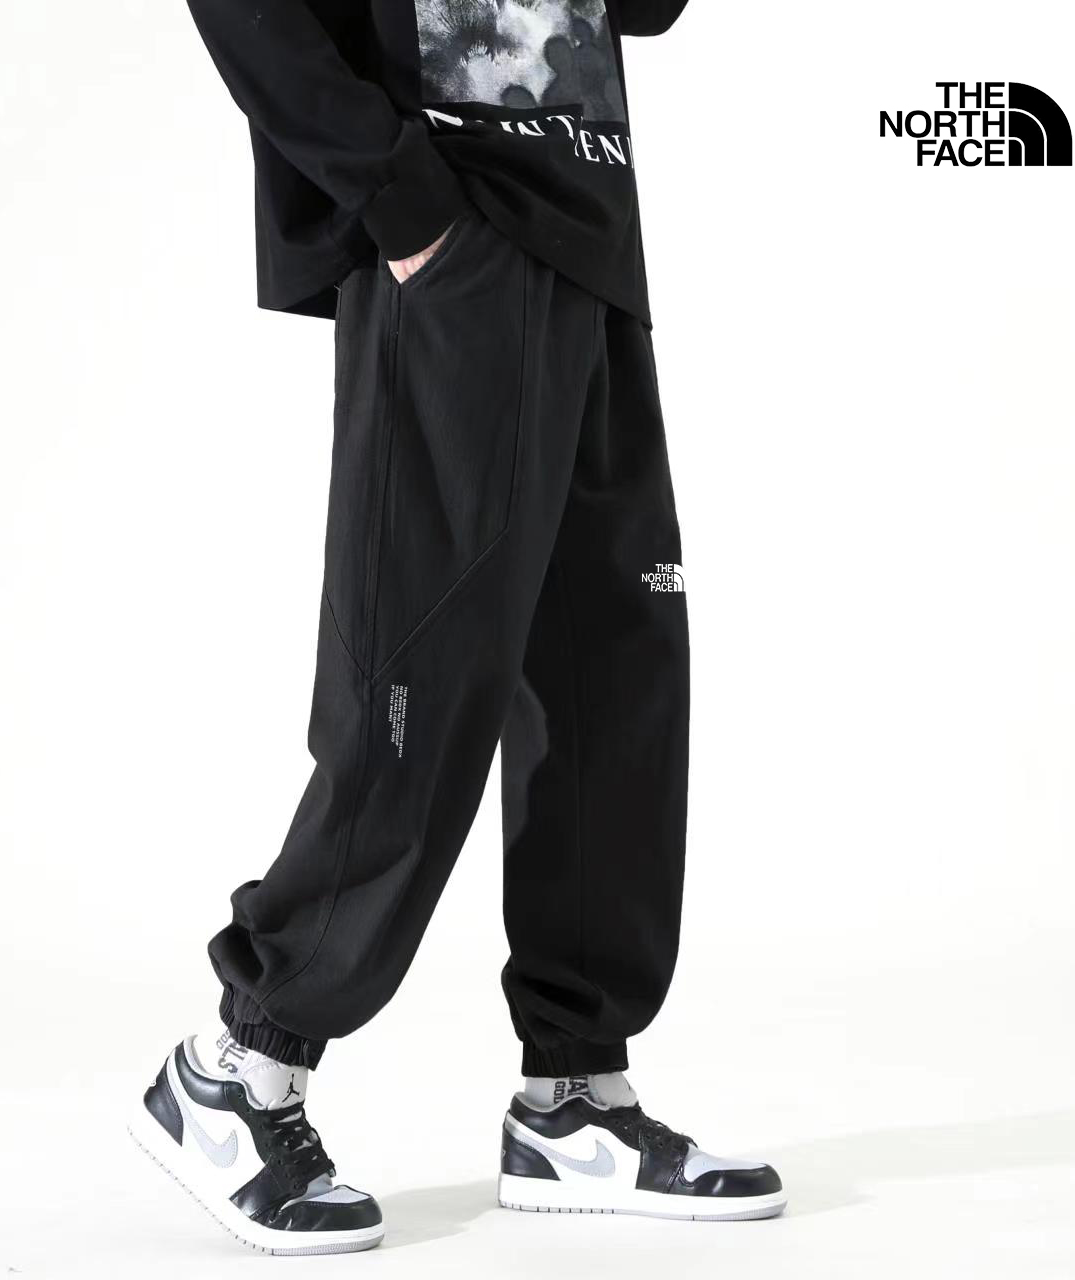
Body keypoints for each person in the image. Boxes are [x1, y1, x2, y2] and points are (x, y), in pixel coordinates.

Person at [129, 0, 785, 1255]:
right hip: (450, 223)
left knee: (614, 677)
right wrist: (400, 202)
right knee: (420, 673)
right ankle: (238, 1064)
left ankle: (572, 1097)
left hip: (583, 220)